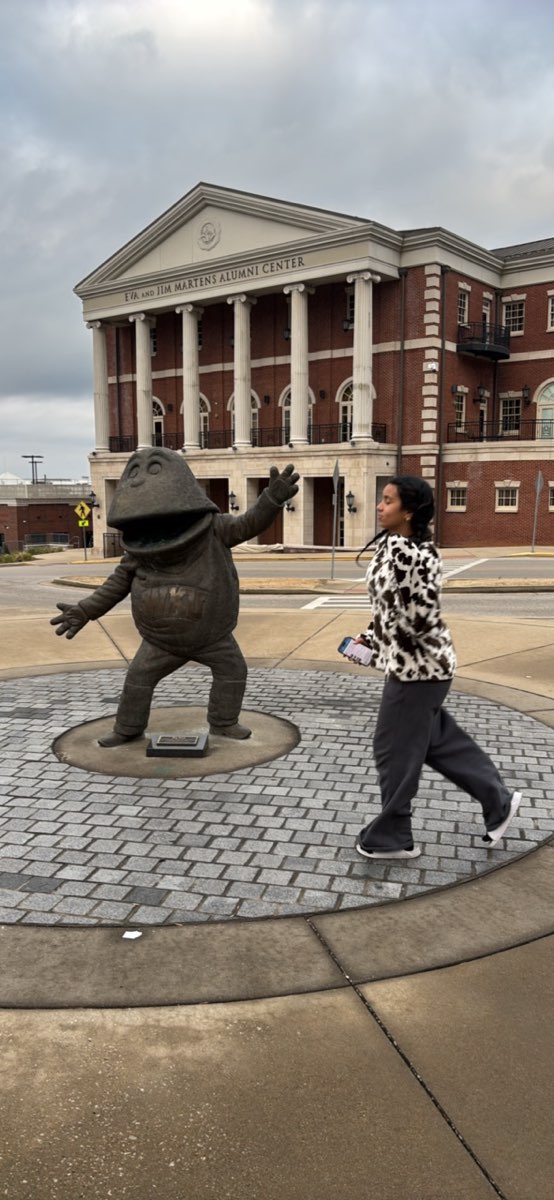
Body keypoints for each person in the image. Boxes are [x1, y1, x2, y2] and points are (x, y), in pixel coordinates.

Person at [346, 475, 521, 860]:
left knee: (394, 751)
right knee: (439, 744)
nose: (380, 505)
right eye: (382, 499)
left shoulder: (417, 557)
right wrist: (369, 640)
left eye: (388, 501)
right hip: (412, 667)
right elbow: (388, 612)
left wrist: (386, 649)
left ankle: (393, 836)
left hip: (420, 671)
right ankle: (499, 800)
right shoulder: (391, 547)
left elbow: (420, 620)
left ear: (408, 511)